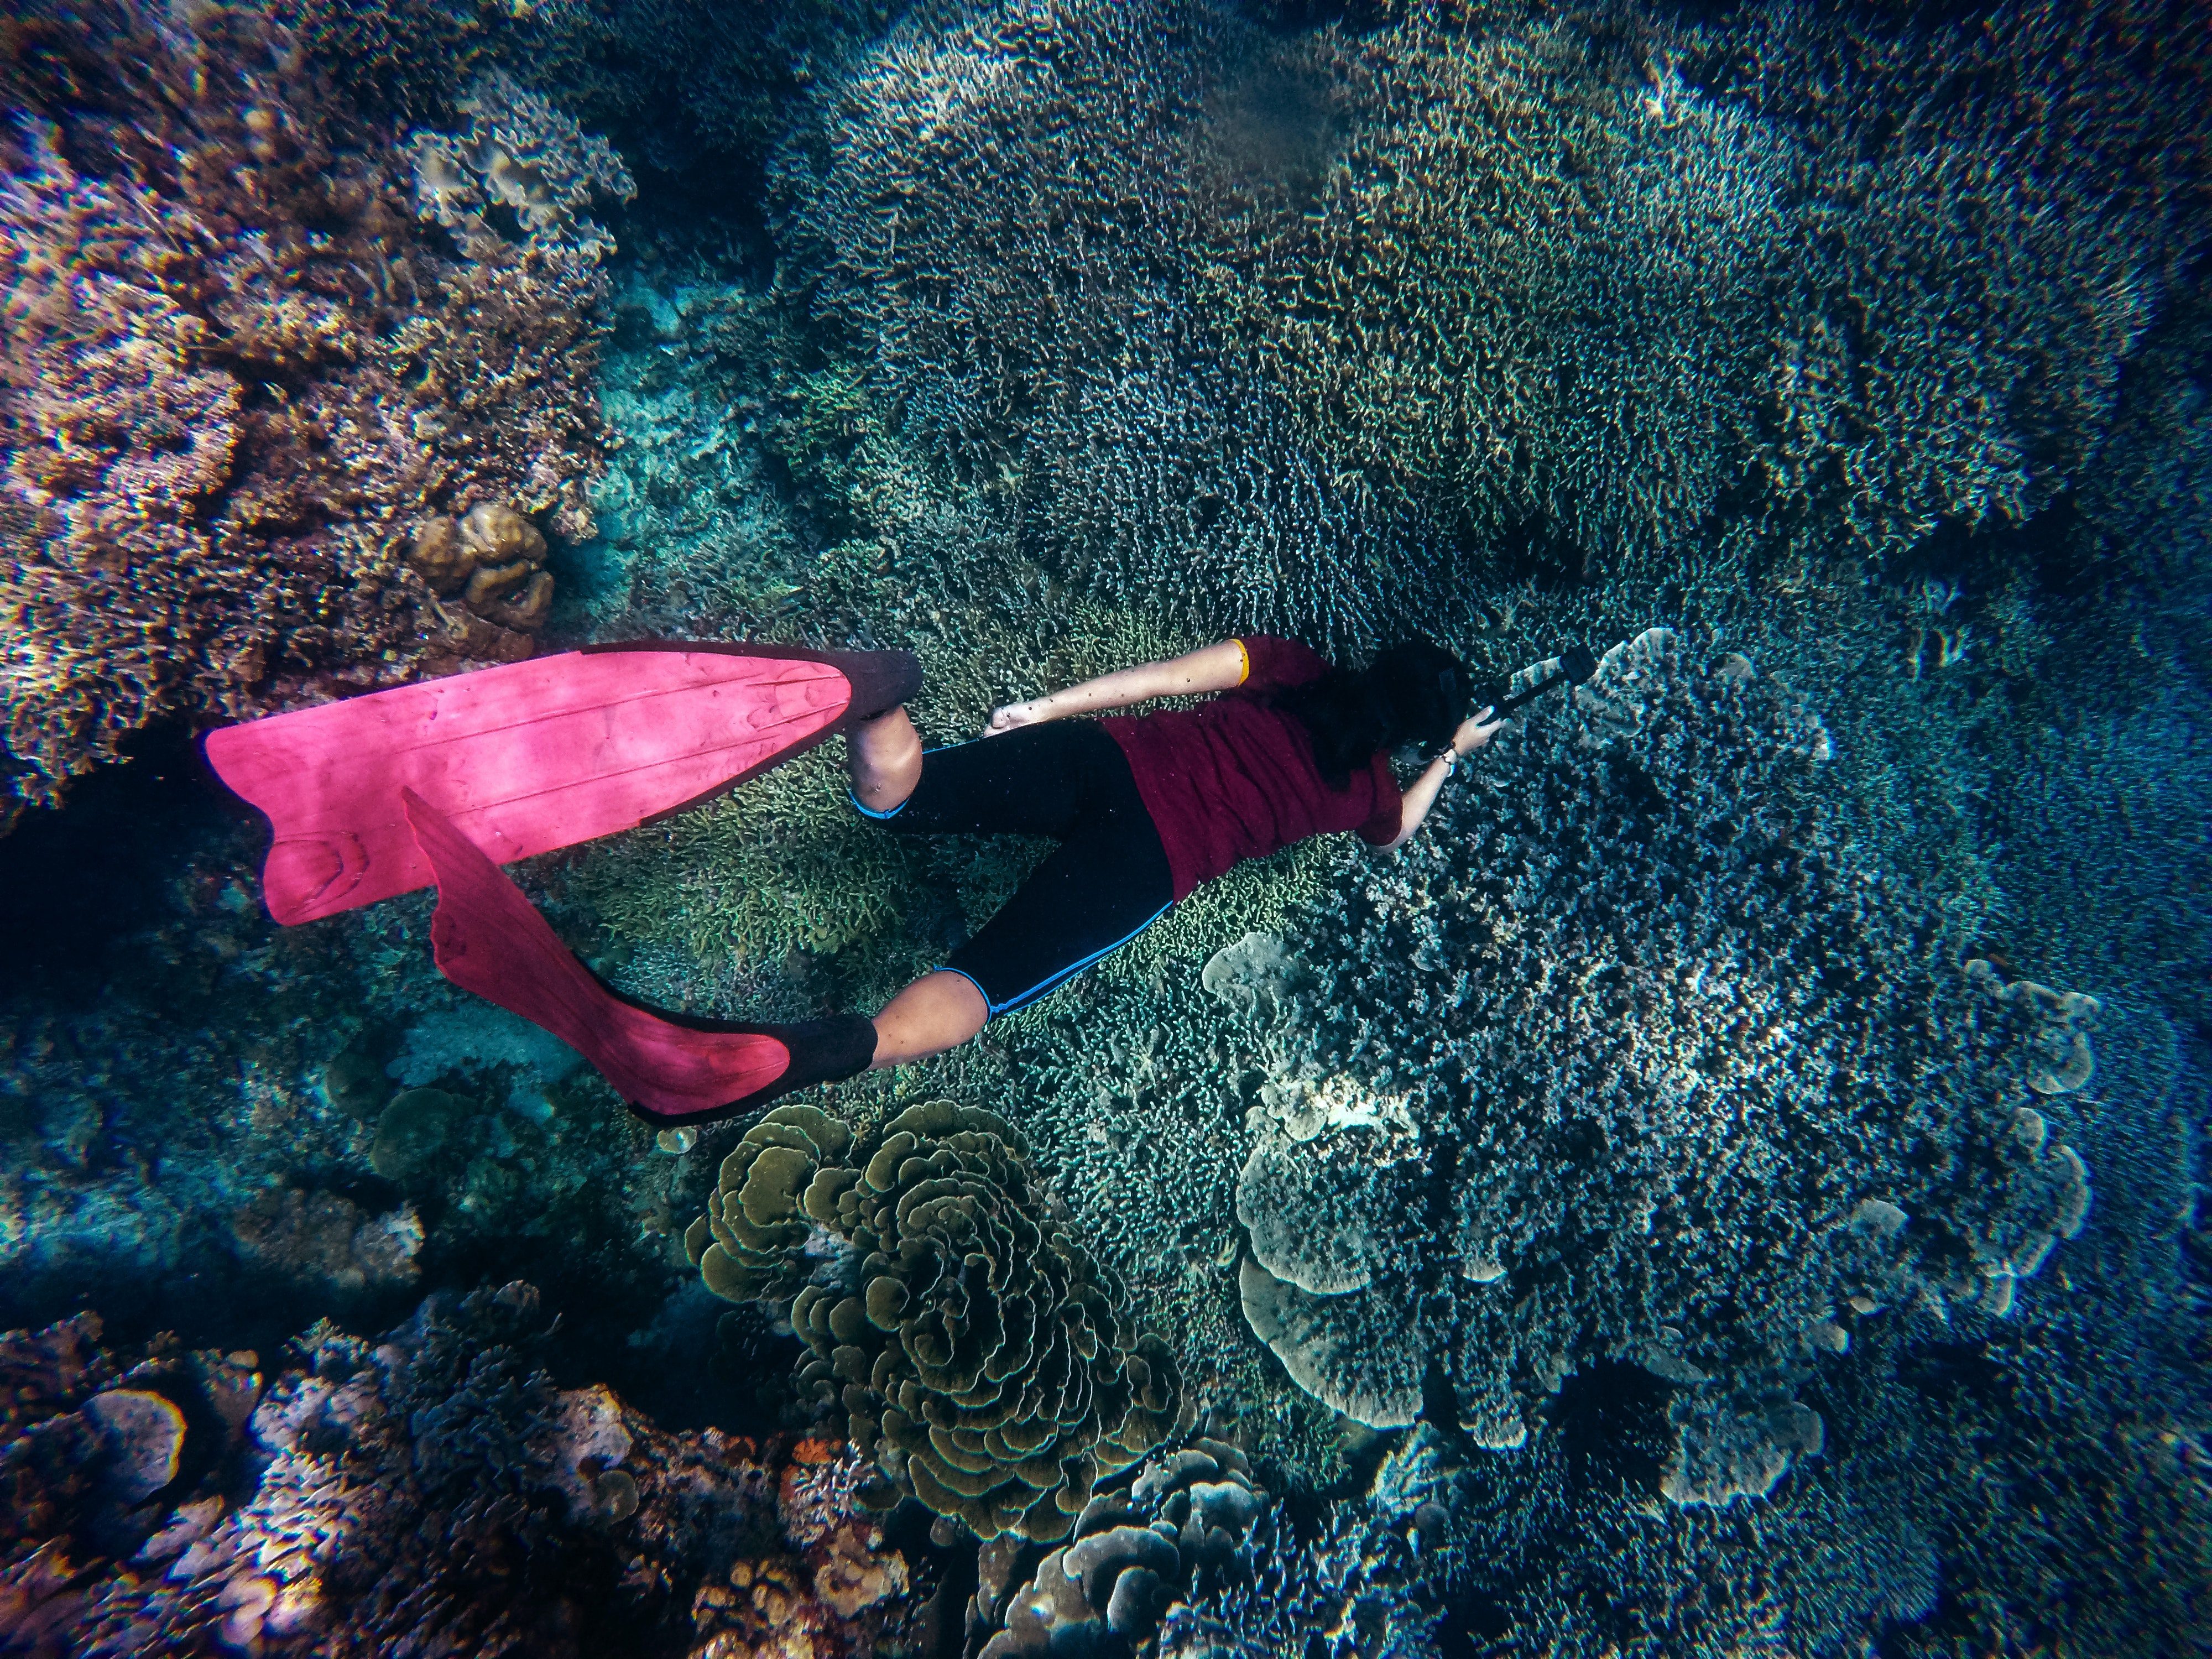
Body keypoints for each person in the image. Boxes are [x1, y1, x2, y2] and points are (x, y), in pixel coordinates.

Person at [842, 633, 1503, 1071]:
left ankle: (874, 702)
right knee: (983, 984)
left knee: (905, 797)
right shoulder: (1368, 794)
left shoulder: (1293, 664)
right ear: (1411, 736)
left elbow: (1165, 678)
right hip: (1147, 859)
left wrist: (1044, 709)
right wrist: (1449, 754)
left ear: (1378, 660)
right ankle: (850, 1049)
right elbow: (1399, 835)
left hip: (1102, 757)